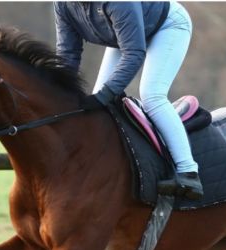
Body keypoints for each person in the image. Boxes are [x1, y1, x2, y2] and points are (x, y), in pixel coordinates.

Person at [54, 1, 203, 200]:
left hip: (167, 25)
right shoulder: (62, 4)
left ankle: (188, 172)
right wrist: (60, 95)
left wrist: (105, 95)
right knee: (99, 110)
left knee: (152, 95)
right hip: (123, 36)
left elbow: (134, 53)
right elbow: (67, 55)